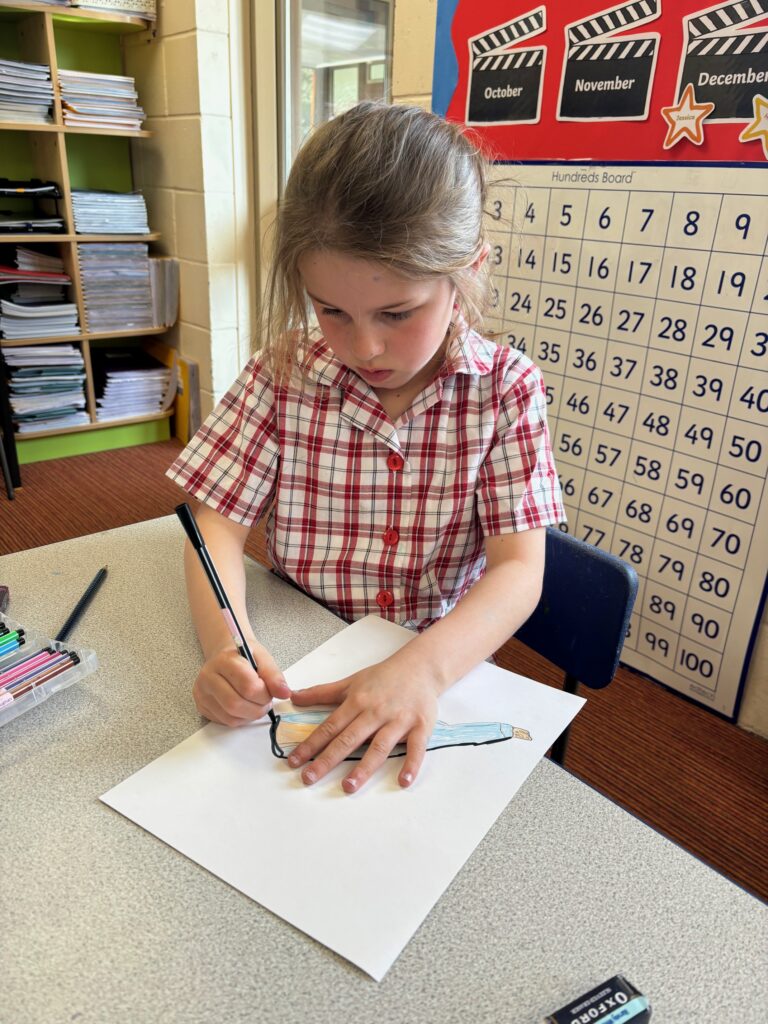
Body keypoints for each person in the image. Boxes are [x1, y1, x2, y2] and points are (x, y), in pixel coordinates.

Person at [168, 101, 564, 793]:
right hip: (300, 653)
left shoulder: (507, 390)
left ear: (469, 270)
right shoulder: (282, 371)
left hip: (440, 662)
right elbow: (215, 527)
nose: (363, 348)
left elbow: (518, 573)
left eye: (396, 313)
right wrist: (226, 646)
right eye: (331, 310)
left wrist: (422, 670)